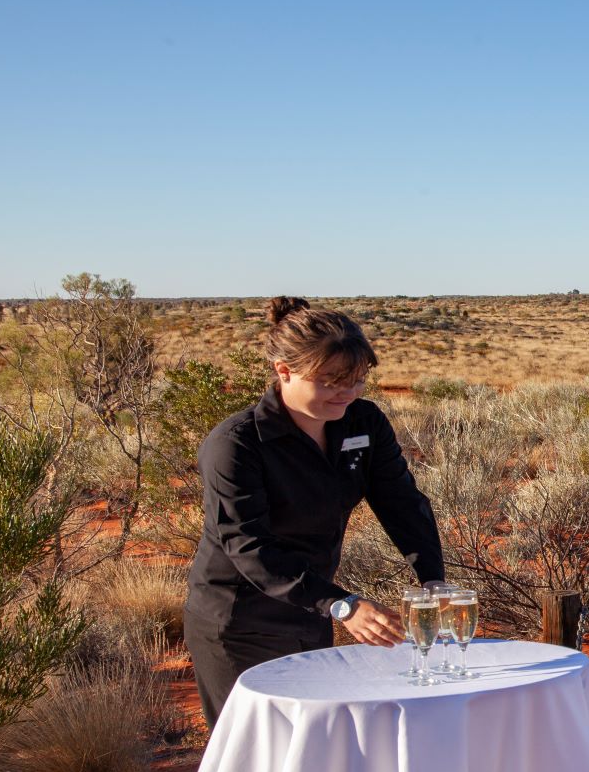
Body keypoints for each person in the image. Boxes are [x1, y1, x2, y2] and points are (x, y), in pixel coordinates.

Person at [184, 296, 445, 728]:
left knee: (315, 747)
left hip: (310, 613)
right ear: (283, 371)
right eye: (330, 381)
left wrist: (432, 577)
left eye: (357, 380)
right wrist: (342, 605)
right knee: (253, 754)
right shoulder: (236, 444)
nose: (347, 393)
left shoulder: (364, 424)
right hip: (238, 624)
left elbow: (402, 502)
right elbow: (247, 545)